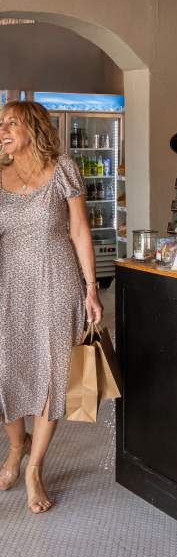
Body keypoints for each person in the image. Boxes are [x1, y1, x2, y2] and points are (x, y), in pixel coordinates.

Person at [0, 101, 103, 513]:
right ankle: (15, 447)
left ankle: (34, 468)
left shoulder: (63, 168)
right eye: (0, 124)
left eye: (11, 122)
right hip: (8, 284)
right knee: (7, 369)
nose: (3, 129)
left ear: (34, 127)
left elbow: (79, 229)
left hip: (58, 282)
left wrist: (92, 288)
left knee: (53, 374)